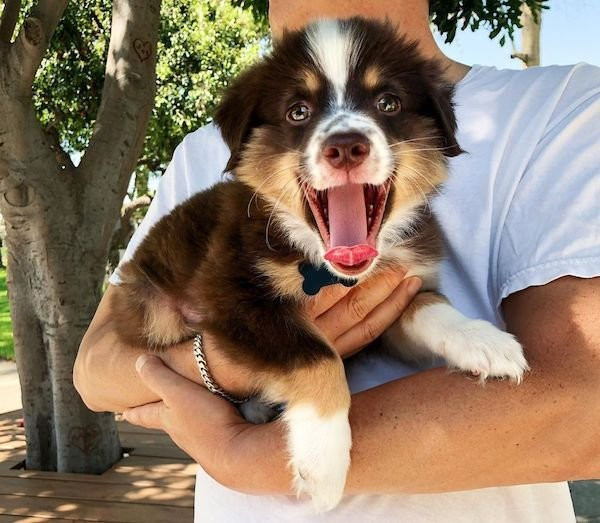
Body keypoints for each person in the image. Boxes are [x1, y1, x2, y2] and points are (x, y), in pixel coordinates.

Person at [74, 0, 600, 521]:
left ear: (438, 123)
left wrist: (245, 454)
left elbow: (585, 407)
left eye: (387, 104)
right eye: (299, 112)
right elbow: (96, 373)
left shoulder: (566, 105)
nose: (345, 136)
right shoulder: (205, 157)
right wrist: (221, 368)